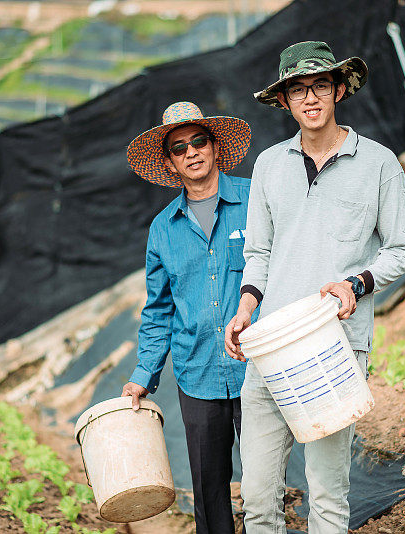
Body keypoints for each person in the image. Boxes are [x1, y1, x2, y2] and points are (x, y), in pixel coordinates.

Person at [224, 41, 405, 533]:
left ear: (340, 90)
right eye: (298, 89)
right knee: (260, 498)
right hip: (271, 347)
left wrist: (357, 283)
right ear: (284, 100)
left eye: (320, 86)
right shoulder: (268, 165)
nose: (310, 98)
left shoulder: (379, 164)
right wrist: (245, 310)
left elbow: (399, 251)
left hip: (335, 348)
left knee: (327, 497)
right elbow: (258, 254)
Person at [123, 101, 253, 534]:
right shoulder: (163, 229)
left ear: (216, 147)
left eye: (199, 141)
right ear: (170, 162)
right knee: (210, 490)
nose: (192, 151)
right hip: (196, 373)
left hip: (258, 367)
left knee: (265, 480)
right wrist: (144, 373)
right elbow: (159, 309)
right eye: (180, 148)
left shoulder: (255, 200)